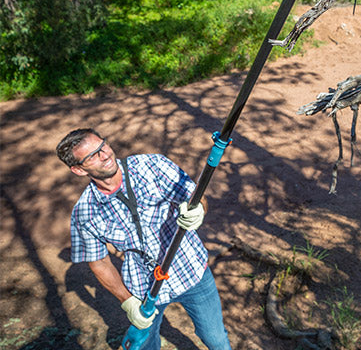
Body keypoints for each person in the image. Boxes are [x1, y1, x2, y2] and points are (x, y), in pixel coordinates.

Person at [57, 128, 232, 350]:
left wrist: (198, 209)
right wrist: (127, 301)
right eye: (93, 155)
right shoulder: (84, 212)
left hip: (192, 272)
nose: (105, 155)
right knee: (144, 346)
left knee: (215, 338)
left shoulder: (152, 165)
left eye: (103, 146)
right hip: (143, 289)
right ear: (78, 169)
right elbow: (98, 261)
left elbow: (195, 197)